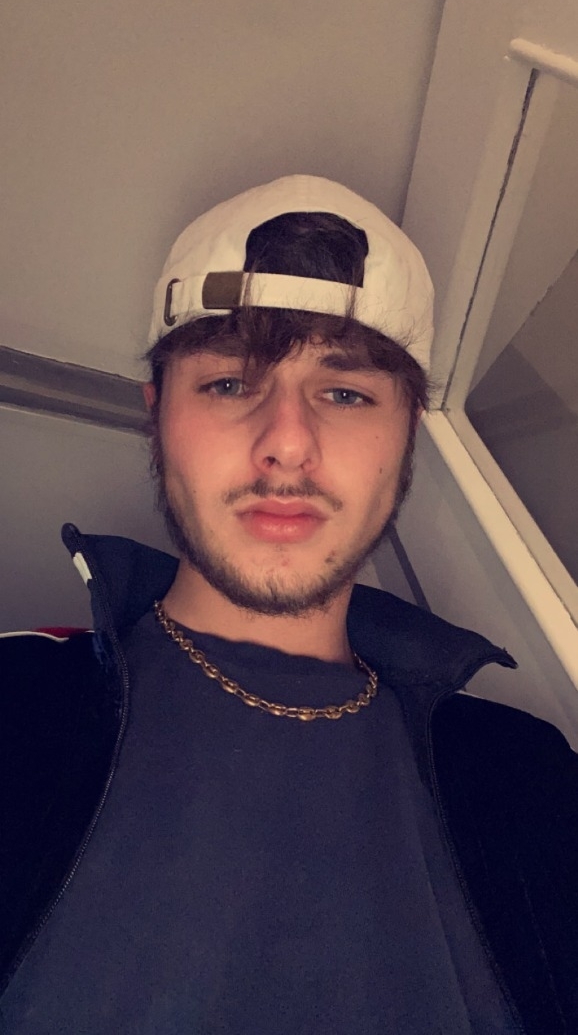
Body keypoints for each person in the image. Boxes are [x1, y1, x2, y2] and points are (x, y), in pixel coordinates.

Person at [1, 175, 577, 1035]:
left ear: (406, 437)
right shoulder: (16, 703)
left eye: (345, 392)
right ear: (157, 416)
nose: (288, 444)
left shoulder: (529, 778)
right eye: (231, 383)